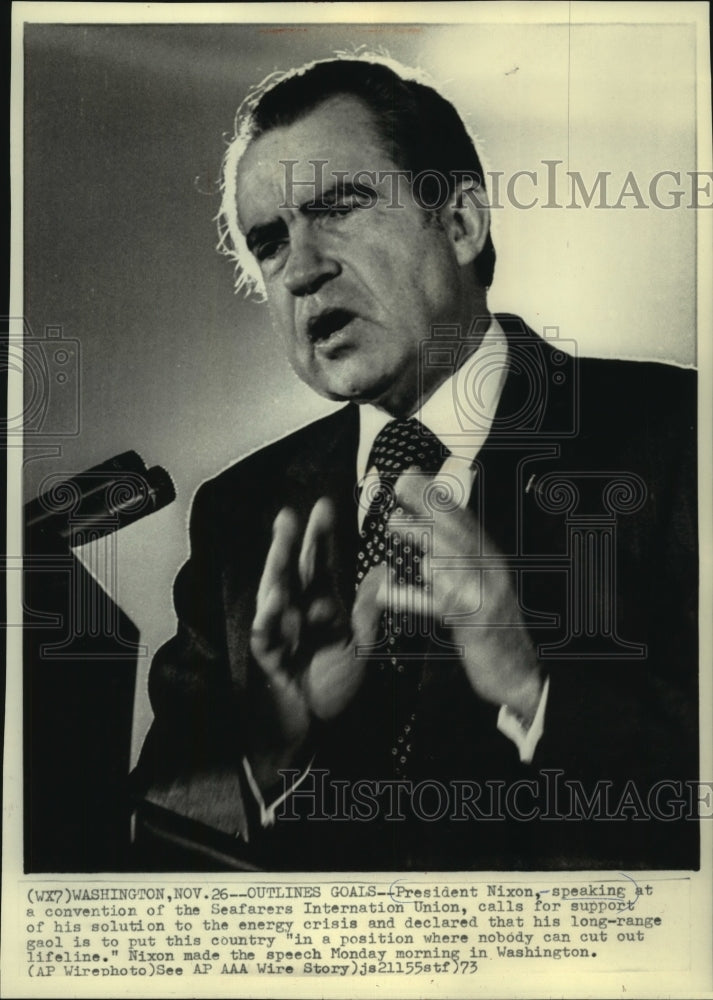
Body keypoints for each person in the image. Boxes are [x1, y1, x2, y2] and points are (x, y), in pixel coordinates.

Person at [131, 55, 698, 872]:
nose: (300, 268)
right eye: (268, 242)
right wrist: (271, 748)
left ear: (460, 222)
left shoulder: (676, 437)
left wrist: (530, 689)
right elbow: (154, 842)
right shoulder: (241, 514)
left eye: (340, 208)